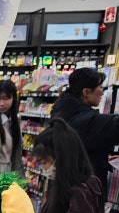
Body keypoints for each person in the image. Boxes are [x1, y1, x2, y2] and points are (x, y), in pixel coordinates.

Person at [50, 66, 119, 201]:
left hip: (68, 186)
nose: (102, 92)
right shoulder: (83, 120)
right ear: (86, 92)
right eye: (100, 87)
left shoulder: (64, 111)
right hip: (83, 192)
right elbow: (113, 125)